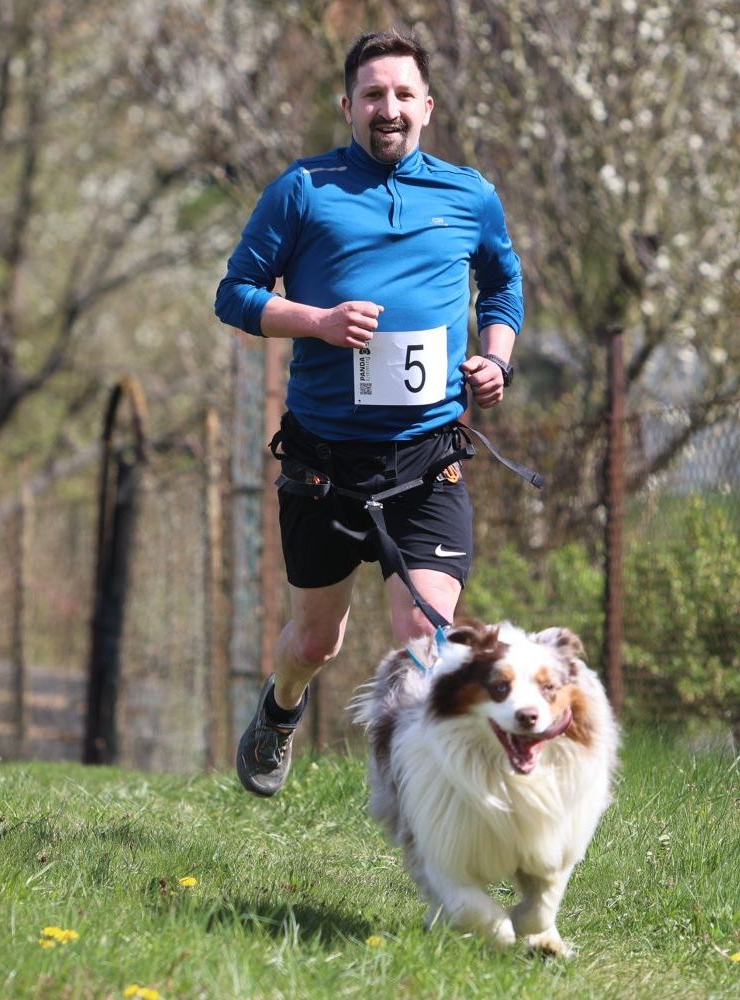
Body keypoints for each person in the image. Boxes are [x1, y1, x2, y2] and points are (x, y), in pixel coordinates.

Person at [214, 30, 524, 796]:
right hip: (324, 461)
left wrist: (496, 359)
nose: (389, 108)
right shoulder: (303, 189)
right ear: (348, 104)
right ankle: (281, 709)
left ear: (427, 106)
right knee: (316, 641)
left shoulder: (469, 195)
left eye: (402, 94)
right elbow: (235, 294)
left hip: (427, 456)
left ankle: (422, 795)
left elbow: (503, 287)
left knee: (426, 633)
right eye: (373, 94)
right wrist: (316, 322)